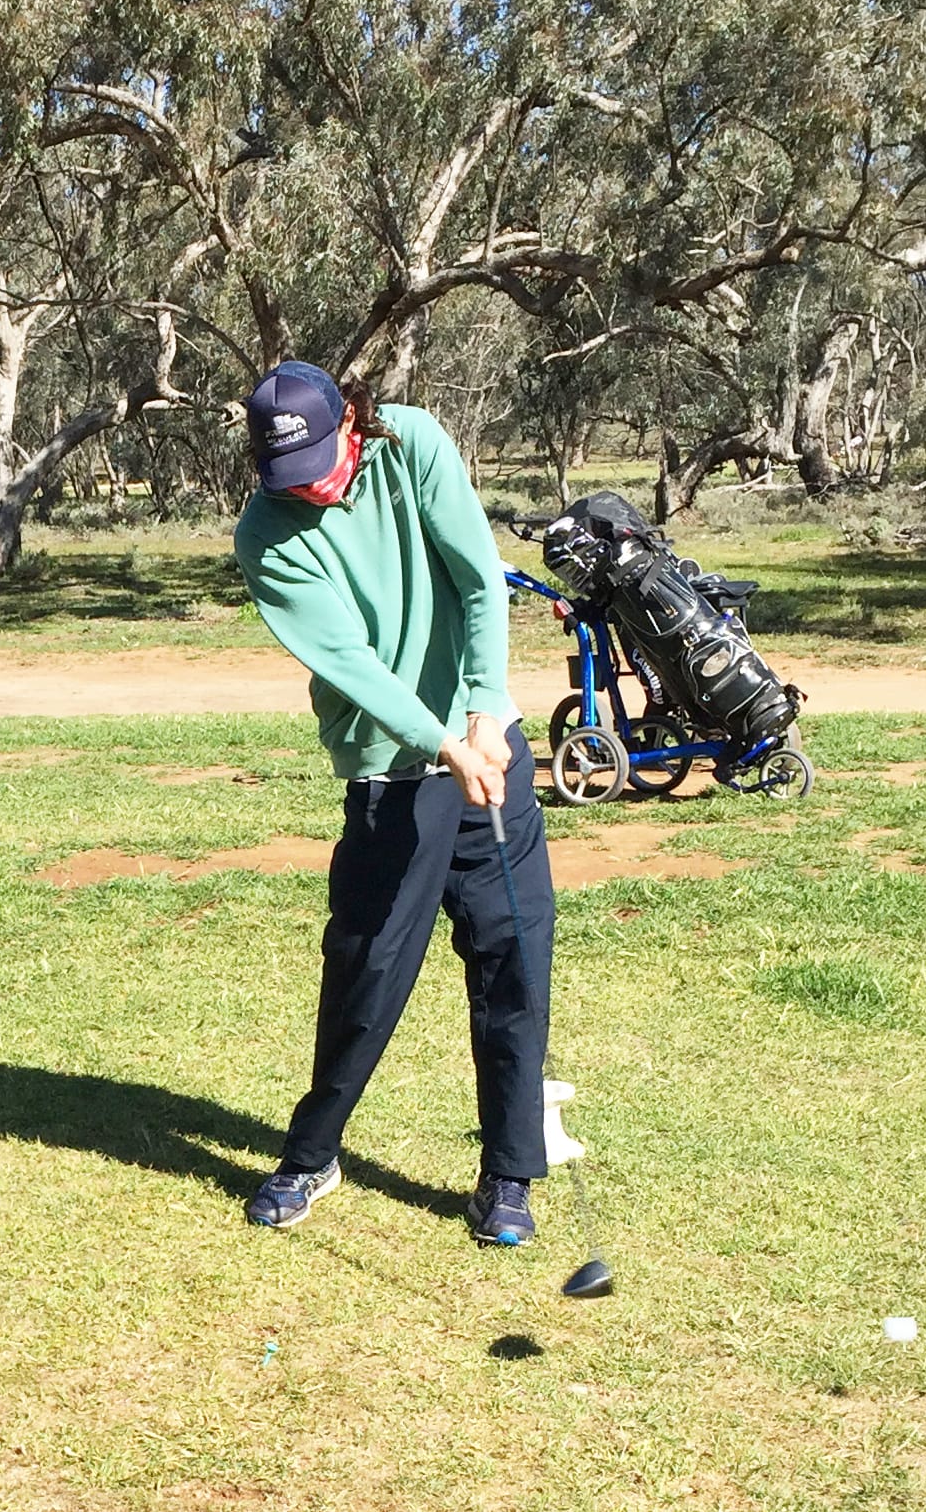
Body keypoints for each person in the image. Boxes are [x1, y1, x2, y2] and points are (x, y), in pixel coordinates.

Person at [232, 361, 554, 1244]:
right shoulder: (265, 533)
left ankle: (508, 1177)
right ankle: (313, 1154)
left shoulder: (411, 444)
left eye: (325, 464)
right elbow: (354, 667)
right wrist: (444, 743)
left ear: (354, 423)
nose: (317, 489)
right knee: (367, 973)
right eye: (291, 479)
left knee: (512, 960)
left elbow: (478, 579)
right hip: (391, 771)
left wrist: (486, 712)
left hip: (489, 748)